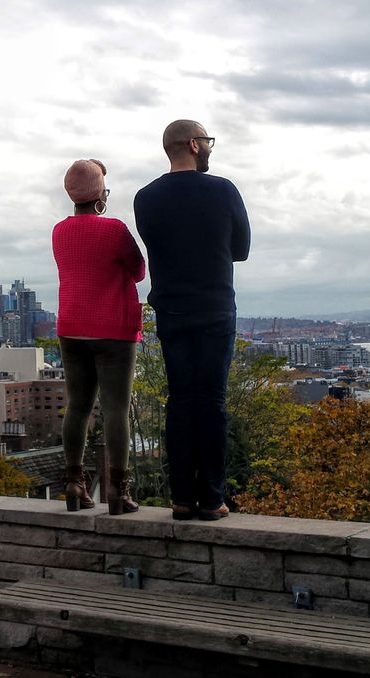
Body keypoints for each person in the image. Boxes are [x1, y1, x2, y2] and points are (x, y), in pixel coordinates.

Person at [133, 120, 251, 521]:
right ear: (194, 145)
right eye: (208, 141)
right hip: (215, 308)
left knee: (180, 400)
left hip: (171, 310)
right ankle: (212, 498)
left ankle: (181, 498)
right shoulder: (223, 190)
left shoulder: (145, 198)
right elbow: (242, 250)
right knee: (212, 401)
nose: (210, 148)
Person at [52, 159, 146, 515]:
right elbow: (137, 270)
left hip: (71, 327)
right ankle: (118, 492)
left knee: (77, 406)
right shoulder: (114, 230)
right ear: (100, 194)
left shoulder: (59, 231)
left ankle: (75, 483)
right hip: (112, 329)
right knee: (115, 409)